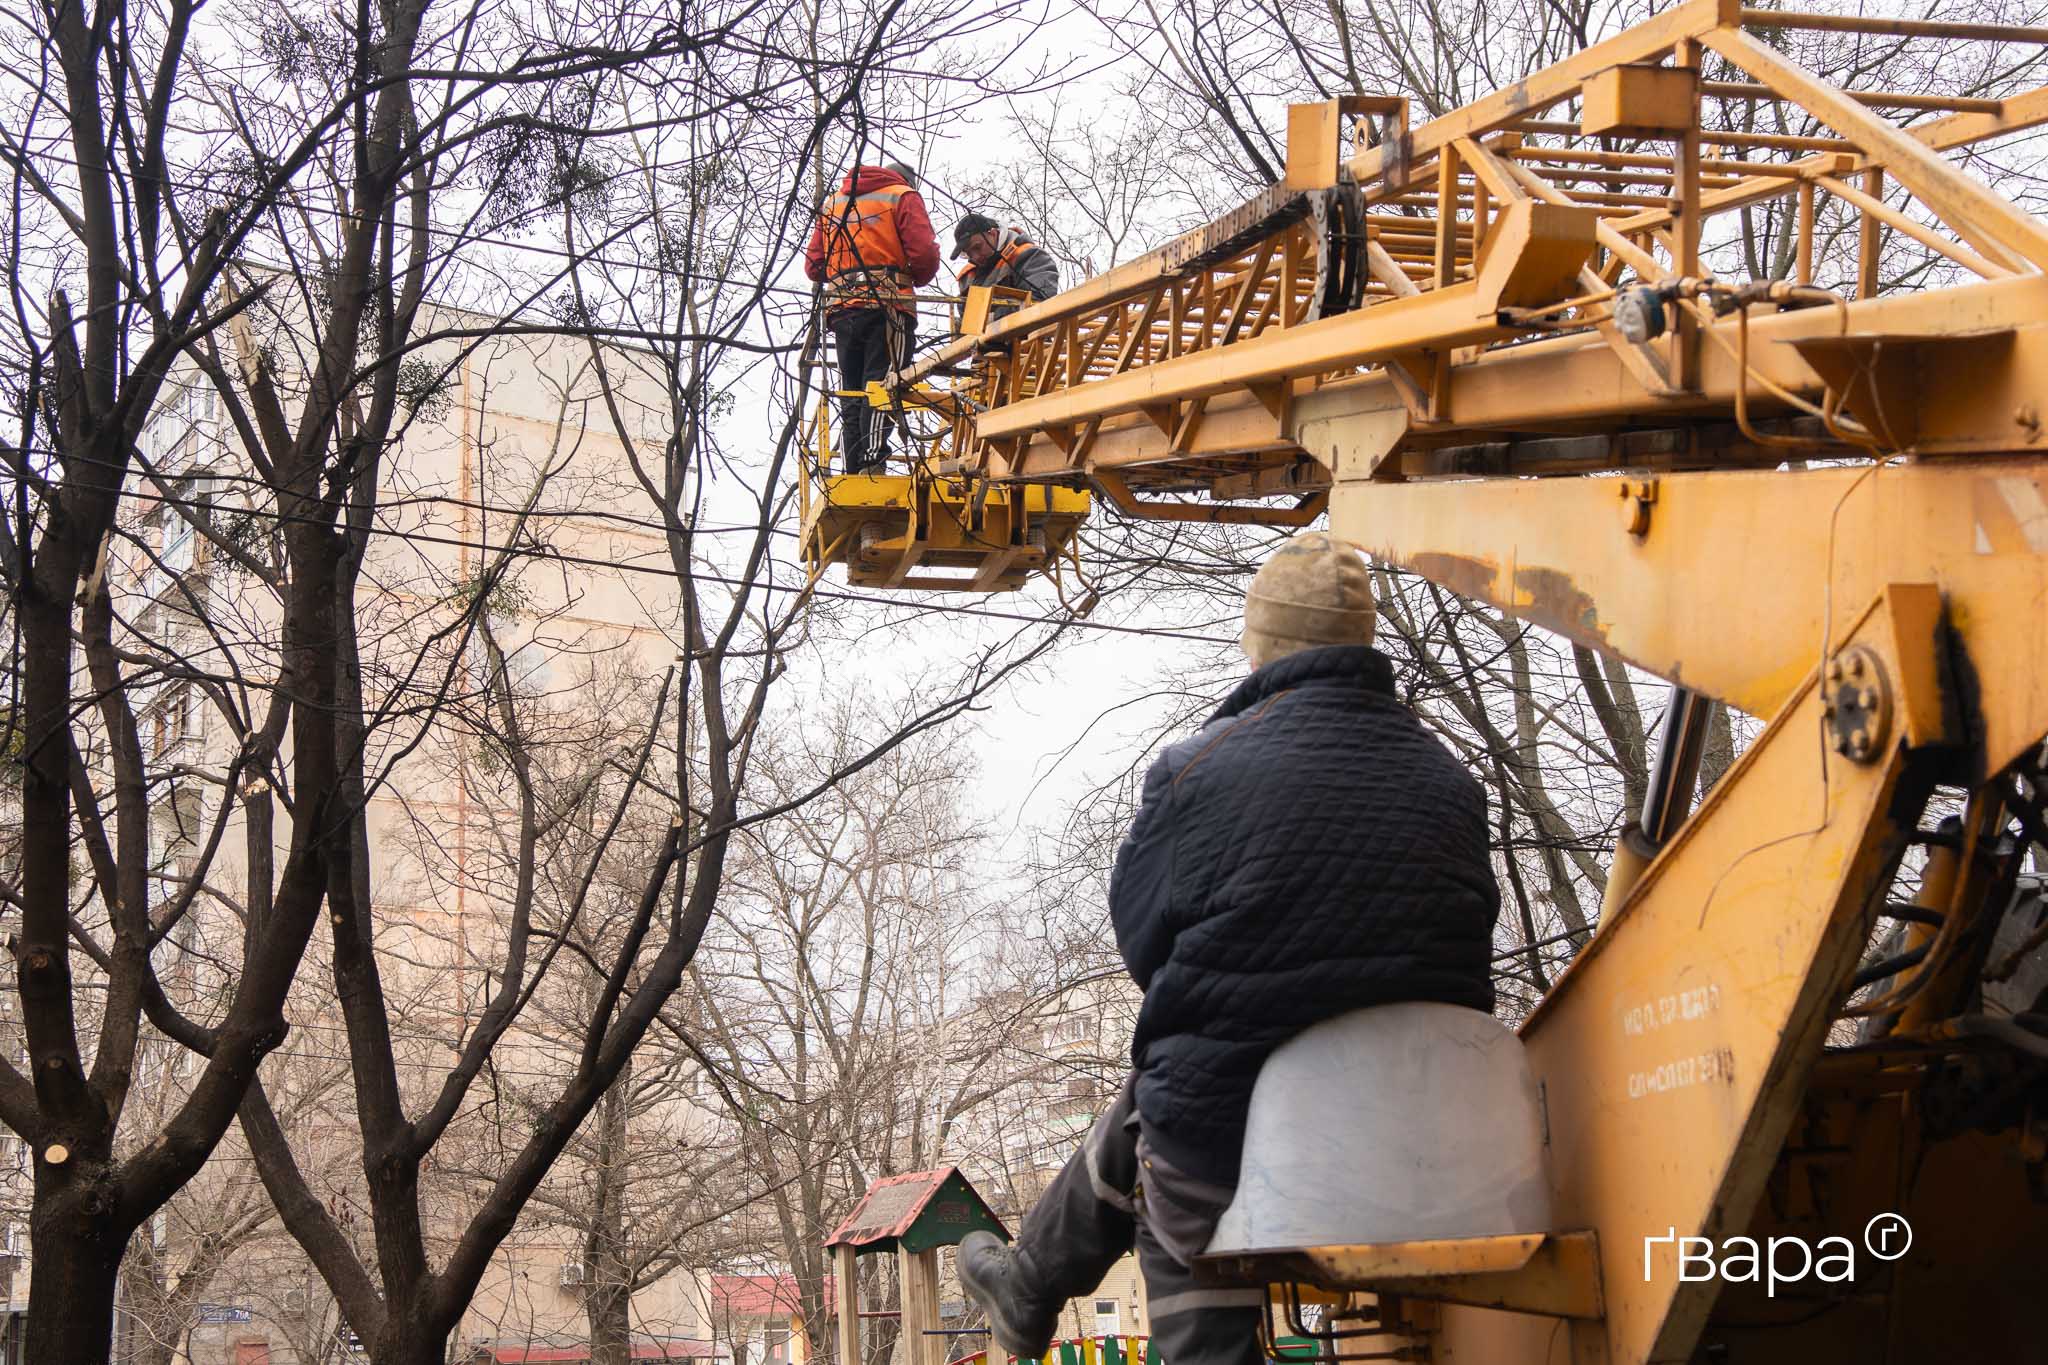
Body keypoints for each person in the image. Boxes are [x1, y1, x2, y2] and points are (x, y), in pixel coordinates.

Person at [957, 532, 1500, 1365]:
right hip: (1437, 1137)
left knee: (1164, 1107)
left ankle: (1035, 1282)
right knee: (1161, 1094)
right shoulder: (1453, 782)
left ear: (1260, 646)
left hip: (1231, 1140)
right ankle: (1028, 1280)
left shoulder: (1197, 772)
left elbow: (1143, 946)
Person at [804, 160, 940, 473]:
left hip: (842, 310)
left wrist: (846, 275)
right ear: (907, 180)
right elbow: (924, 255)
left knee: (851, 389)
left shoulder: (833, 204)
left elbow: (814, 266)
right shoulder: (902, 195)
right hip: (888, 308)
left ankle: (853, 466)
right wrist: (902, 275)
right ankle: (872, 460)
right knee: (883, 382)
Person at [952, 213, 1061, 302]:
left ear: (993, 234)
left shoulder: (1029, 255)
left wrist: (990, 318)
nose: (975, 257)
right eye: (968, 253)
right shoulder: (968, 277)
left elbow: (1040, 300)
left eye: (977, 247)